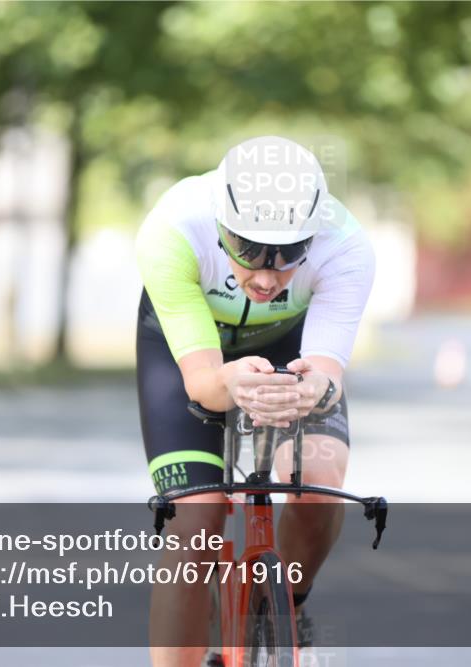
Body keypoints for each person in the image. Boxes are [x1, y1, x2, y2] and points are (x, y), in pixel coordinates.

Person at [135, 135, 375, 667]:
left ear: (315, 234)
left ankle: (291, 603)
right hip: (191, 352)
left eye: (290, 254)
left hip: (289, 348)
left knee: (320, 484)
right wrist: (228, 383)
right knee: (194, 525)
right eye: (249, 251)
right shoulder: (171, 230)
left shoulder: (347, 245)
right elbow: (201, 383)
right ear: (220, 225)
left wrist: (315, 388)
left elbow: (328, 370)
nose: (267, 275)